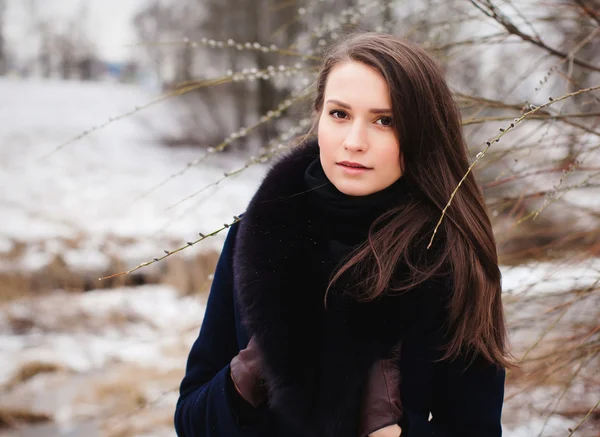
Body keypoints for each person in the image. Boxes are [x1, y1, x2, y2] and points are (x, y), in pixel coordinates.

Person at [174, 32, 512, 437]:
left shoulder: (449, 254)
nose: (354, 142)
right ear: (318, 115)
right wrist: (249, 373)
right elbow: (189, 420)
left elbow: (477, 428)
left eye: (384, 121)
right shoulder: (258, 235)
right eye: (339, 114)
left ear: (422, 132)